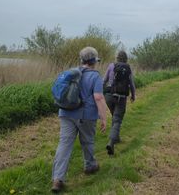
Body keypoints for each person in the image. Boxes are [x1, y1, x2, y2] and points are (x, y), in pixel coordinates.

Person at [51, 47, 107, 193]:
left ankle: (58, 179)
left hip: (65, 113)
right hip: (86, 115)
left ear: (81, 60)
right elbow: (99, 98)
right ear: (94, 61)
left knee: (64, 144)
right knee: (87, 140)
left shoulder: (71, 73)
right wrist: (104, 117)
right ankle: (90, 166)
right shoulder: (95, 76)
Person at [103, 50, 136, 155]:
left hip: (109, 95)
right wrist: (133, 95)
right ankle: (111, 142)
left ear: (117, 57)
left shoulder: (111, 66)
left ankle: (116, 138)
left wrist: (101, 92)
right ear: (126, 58)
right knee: (117, 120)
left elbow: (104, 80)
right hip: (121, 97)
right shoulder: (127, 68)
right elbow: (131, 84)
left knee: (115, 116)